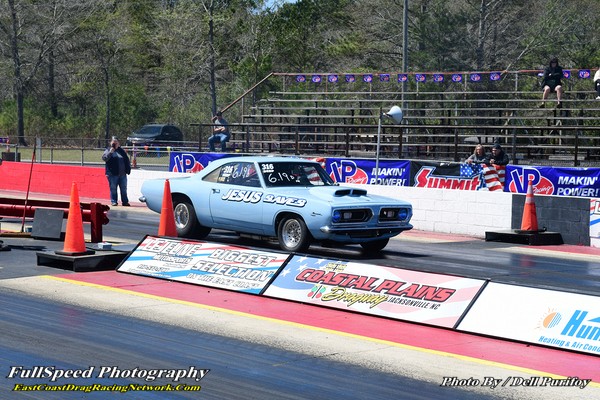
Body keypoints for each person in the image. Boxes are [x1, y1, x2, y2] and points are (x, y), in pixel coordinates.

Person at [102, 137, 131, 206]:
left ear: (118, 143)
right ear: (111, 143)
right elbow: (104, 158)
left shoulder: (121, 151)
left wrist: (128, 169)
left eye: (116, 142)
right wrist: (110, 152)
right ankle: (114, 201)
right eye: (113, 142)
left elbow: (126, 160)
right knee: (113, 188)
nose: (115, 143)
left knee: (124, 188)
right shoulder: (108, 150)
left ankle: (125, 202)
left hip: (122, 174)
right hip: (112, 174)